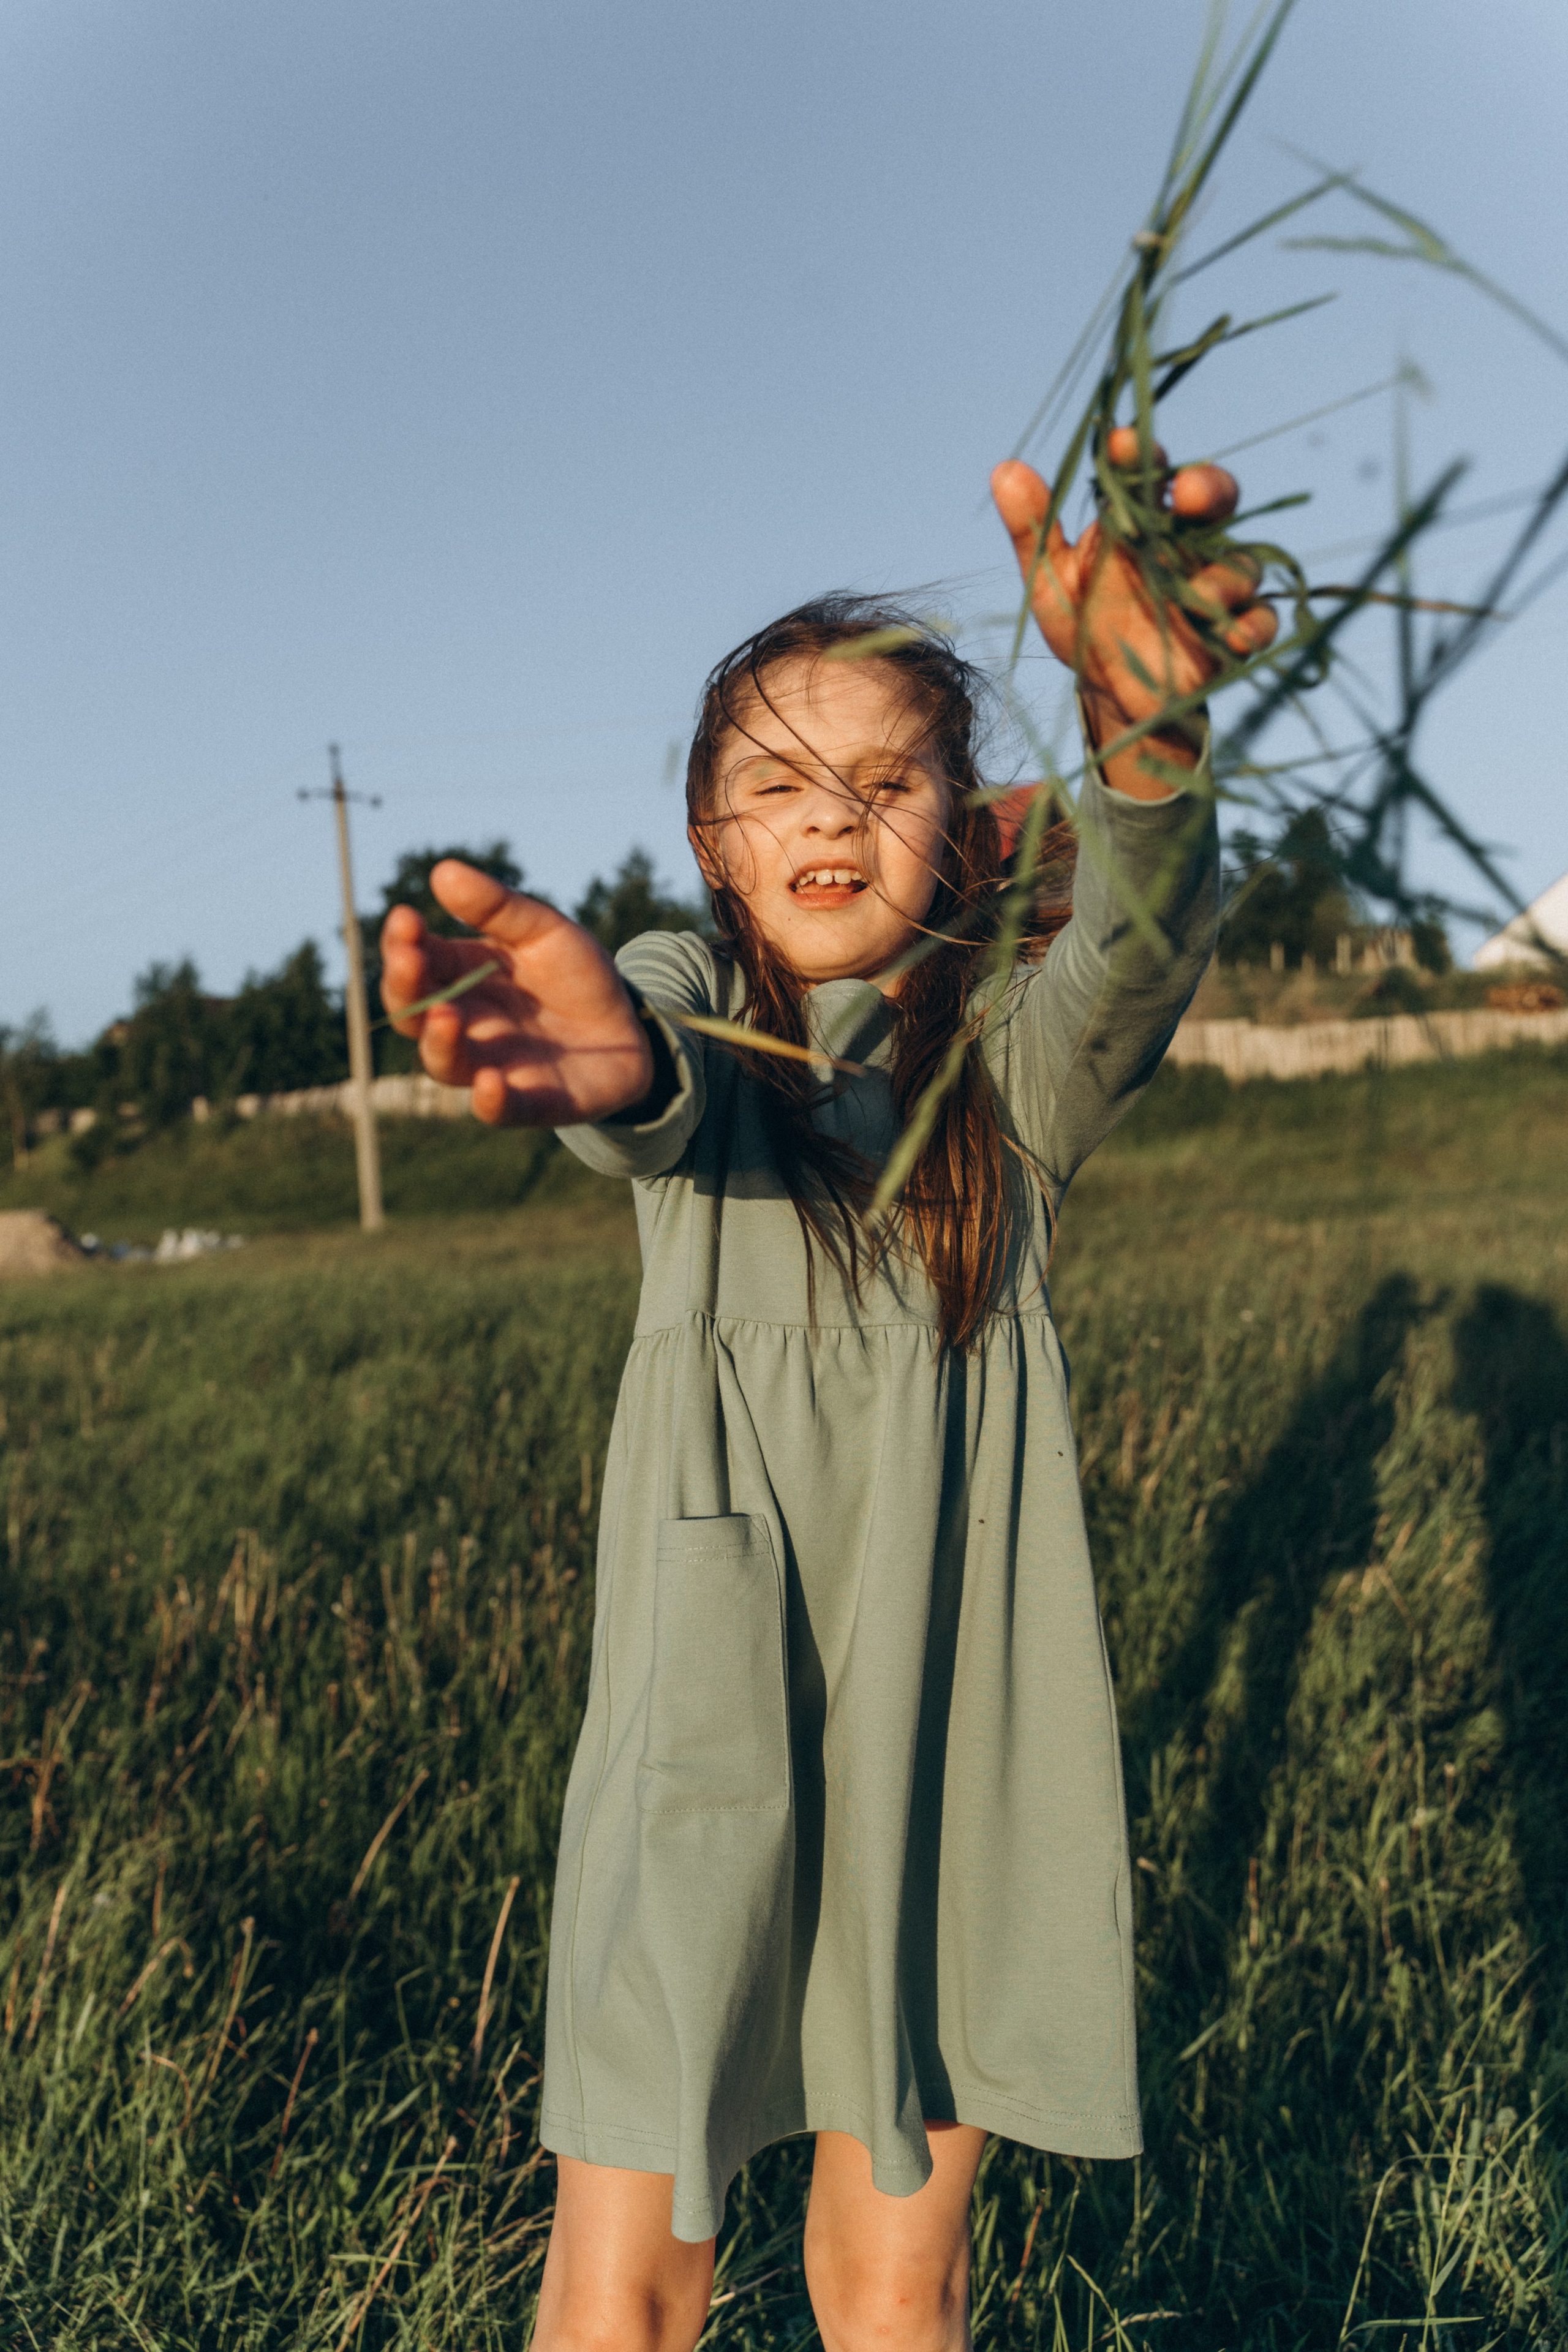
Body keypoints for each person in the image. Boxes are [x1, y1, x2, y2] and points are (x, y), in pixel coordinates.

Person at [381, 448, 1276, 2352]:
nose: (832, 819)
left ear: (966, 830)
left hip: (959, 1728)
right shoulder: (688, 1006)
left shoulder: (1015, 1078)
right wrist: (611, 1064)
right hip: (709, 1713)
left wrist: (1148, 745)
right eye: (777, 784)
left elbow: (1136, 941)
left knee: (899, 2283)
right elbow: (643, 1078)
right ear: (714, 840)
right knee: (626, 2283)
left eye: (887, 781)